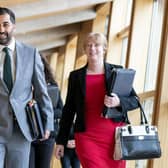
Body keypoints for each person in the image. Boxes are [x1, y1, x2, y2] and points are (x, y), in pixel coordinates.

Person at [55, 32, 139, 168]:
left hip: (115, 137)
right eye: (88, 45)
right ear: (84, 50)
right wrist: (61, 141)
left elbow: (135, 100)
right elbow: (68, 110)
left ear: (104, 48)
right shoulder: (76, 76)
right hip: (86, 136)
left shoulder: (116, 71)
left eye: (96, 45)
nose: (92, 48)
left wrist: (119, 102)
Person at [0, 7, 54, 168]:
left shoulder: (30, 53)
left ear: (14, 26)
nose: (1, 30)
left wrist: (47, 123)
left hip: (21, 129)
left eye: (5, 24)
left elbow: (41, 92)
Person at [29, 55, 63, 168]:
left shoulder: (53, 86)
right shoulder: (24, 86)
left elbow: (61, 111)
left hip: (48, 136)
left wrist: (46, 111)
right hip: (29, 136)